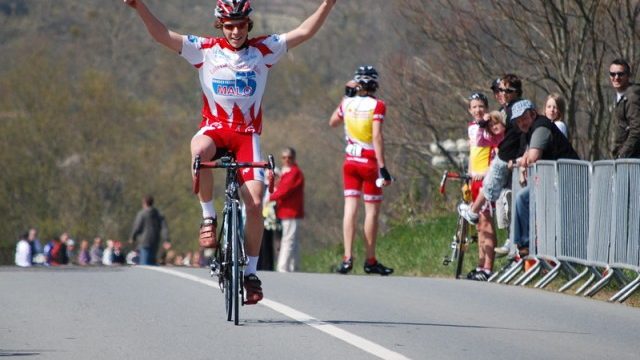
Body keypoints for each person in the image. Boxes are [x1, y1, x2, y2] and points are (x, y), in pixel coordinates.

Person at [124, 0, 337, 304]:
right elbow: (162, 35)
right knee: (199, 151)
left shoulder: (264, 50)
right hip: (214, 130)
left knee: (254, 203)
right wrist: (139, 6)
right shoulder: (206, 50)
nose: (235, 31)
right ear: (220, 26)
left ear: (249, 25)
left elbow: (304, 31)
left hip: (246, 136)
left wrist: (328, 4)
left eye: (240, 25)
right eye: (229, 26)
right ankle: (208, 217)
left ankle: (250, 272)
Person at [329, 65, 394, 276]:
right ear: (375, 84)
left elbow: (333, 123)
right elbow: (377, 136)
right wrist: (383, 167)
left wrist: (345, 96)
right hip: (368, 162)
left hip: (350, 161)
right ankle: (370, 259)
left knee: (350, 209)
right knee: (371, 212)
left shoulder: (347, 103)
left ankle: (347, 258)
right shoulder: (378, 105)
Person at [510, 99, 579, 255]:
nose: (521, 123)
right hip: (553, 182)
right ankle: (523, 246)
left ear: (533, 114)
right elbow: (528, 155)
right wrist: (524, 159)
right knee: (522, 198)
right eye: (518, 121)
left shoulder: (541, 127)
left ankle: (526, 245)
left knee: (523, 198)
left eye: (524, 118)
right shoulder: (530, 131)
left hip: (568, 181)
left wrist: (520, 161)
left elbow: (533, 157)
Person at [459, 74, 525, 227]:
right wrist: (483, 127)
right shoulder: (500, 113)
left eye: (502, 90)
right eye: (497, 91)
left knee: (496, 183)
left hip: (507, 162)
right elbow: (482, 143)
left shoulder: (515, 110)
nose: (499, 94)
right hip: (493, 168)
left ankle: (473, 212)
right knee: (504, 208)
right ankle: (511, 239)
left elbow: (519, 136)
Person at [465, 93, 505, 281]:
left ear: (486, 108)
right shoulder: (472, 128)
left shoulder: (490, 127)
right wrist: (469, 174)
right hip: (474, 179)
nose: (478, 110)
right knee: (480, 225)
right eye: (474, 107)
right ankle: (480, 265)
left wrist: (488, 172)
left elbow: (497, 152)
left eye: (481, 106)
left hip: (486, 180)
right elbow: (472, 153)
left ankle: (488, 267)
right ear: (470, 110)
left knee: (487, 222)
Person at [268, 147, 305, 272]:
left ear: (294, 158)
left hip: (291, 211)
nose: (287, 160)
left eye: (289, 157)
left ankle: (283, 267)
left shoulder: (295, 173)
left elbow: (285, 190)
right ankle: (293, 267)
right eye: (284, 158)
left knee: (288, 240)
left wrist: (270, 198)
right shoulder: (286, 172)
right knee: (292, 240)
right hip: (285, 211)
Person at [610, 58, 640, 158]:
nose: (616, 77)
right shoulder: (620, 97)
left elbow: (636, 129)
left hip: (632, 159)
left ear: (628, 76)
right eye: (612, 74)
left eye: (620, 74)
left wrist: (622, 155)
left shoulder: (632, 97)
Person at [129, 195, 167, 266]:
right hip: (155, 241)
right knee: (152, 262)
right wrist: (166, 239)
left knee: (144, 264)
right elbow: (164, 227)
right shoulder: (158, 214)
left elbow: (137, 227)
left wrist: (132, 237)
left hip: (144, 242)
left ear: (144, 203)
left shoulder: (142, 214)